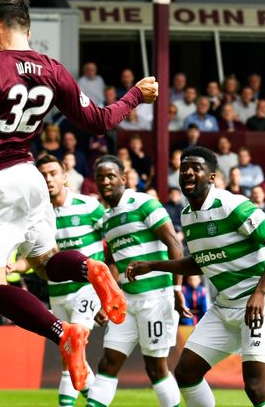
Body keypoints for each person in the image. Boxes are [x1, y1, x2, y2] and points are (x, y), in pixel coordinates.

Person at [0, 0, 159, 392]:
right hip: (29, 178)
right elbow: (98, 121)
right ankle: (91, 268)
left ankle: (64, 333)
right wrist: (134, 95)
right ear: (27, 28)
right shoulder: (53, 69)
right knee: (45, 262)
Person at [128, 146, 265, 407]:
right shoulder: (187, 216)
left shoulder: (231, 204)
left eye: (196, 168)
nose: (188, 172)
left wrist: (260, 292)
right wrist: (154, 265)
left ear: (212, 177)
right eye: (184, 168)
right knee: (186, 374)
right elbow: (201, 262)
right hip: (226, 305)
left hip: (263, 303)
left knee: (256, 386)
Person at [87, 155, 185, 407]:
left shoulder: (144, 203)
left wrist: (176, 288)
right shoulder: (106, 220)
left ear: (123, 177)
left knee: (156, 368)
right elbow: (111, 262)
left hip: (156, 297)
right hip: (126, 302)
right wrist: (108, 297)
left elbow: (174, 243)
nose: (105, 181)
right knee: (107, 362)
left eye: (111, 176)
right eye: (101, 177)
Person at [36, 155, 105, 406]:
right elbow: (34, 258)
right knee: (71, 357)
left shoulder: (89, 206)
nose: (48, 179)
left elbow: (114, 239)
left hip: (87, 289)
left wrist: (110, 291)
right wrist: (14, 264)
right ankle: (97, 400)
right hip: (57, 293)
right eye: (43, 175)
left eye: (53, 173)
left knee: (74, 345)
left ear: (65, 176)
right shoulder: (38, 217)